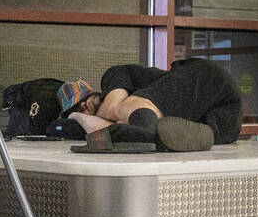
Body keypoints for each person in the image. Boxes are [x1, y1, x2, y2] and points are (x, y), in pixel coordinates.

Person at [58, 58, 243, 152]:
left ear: (92, 97)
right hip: (222, 125)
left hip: (206, 80)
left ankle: (153, 137)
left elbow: (111, 110)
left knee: (127, 108)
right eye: (77, 109)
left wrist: (77, 118)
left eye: (85, 104)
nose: (84, 109)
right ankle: (157, 137)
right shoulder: (141, 116)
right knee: (142, 131)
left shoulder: (114, 75)